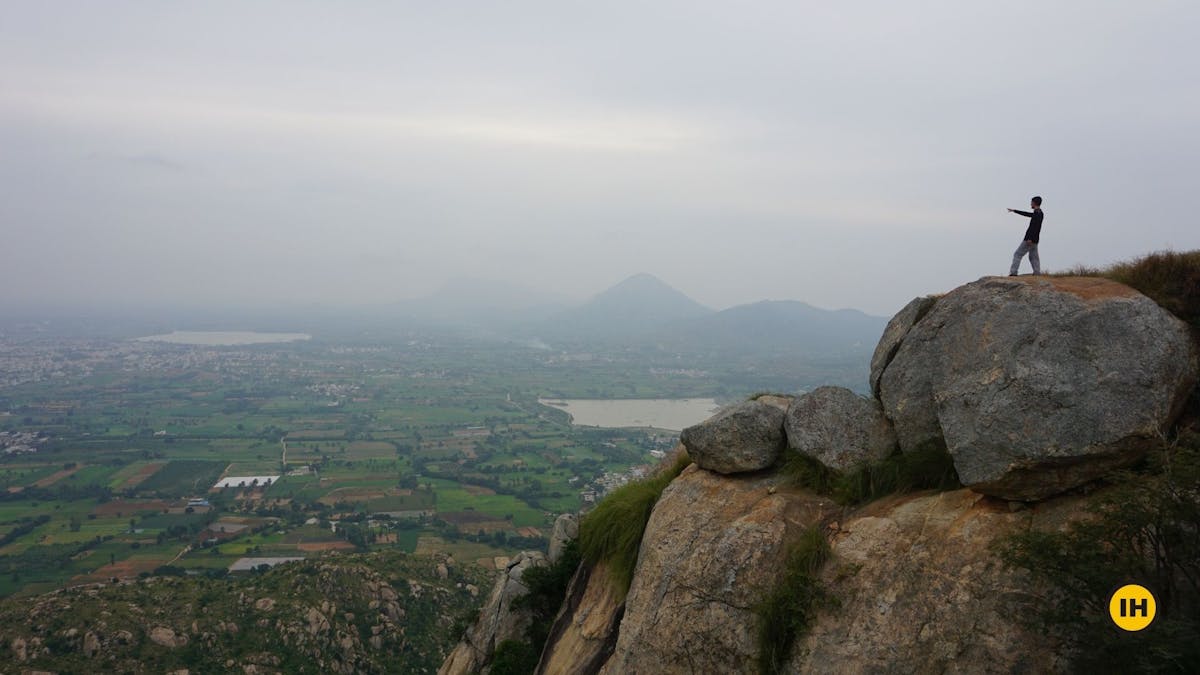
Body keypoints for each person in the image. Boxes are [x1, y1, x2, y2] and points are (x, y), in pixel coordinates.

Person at [1007, 196, 1044, 276]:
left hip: (1030, 239)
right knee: (1033, 257)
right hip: (1035, 240)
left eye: (1031, 202)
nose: (1030, 203)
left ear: (1034, 203)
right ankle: (1037, 273)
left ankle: (1013, 273)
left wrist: (1030, 239)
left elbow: (1035, 227)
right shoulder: (1039, 213)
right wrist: (1015, 211)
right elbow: (1027, 214)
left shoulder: (1037, 214)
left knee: (1017, 254)